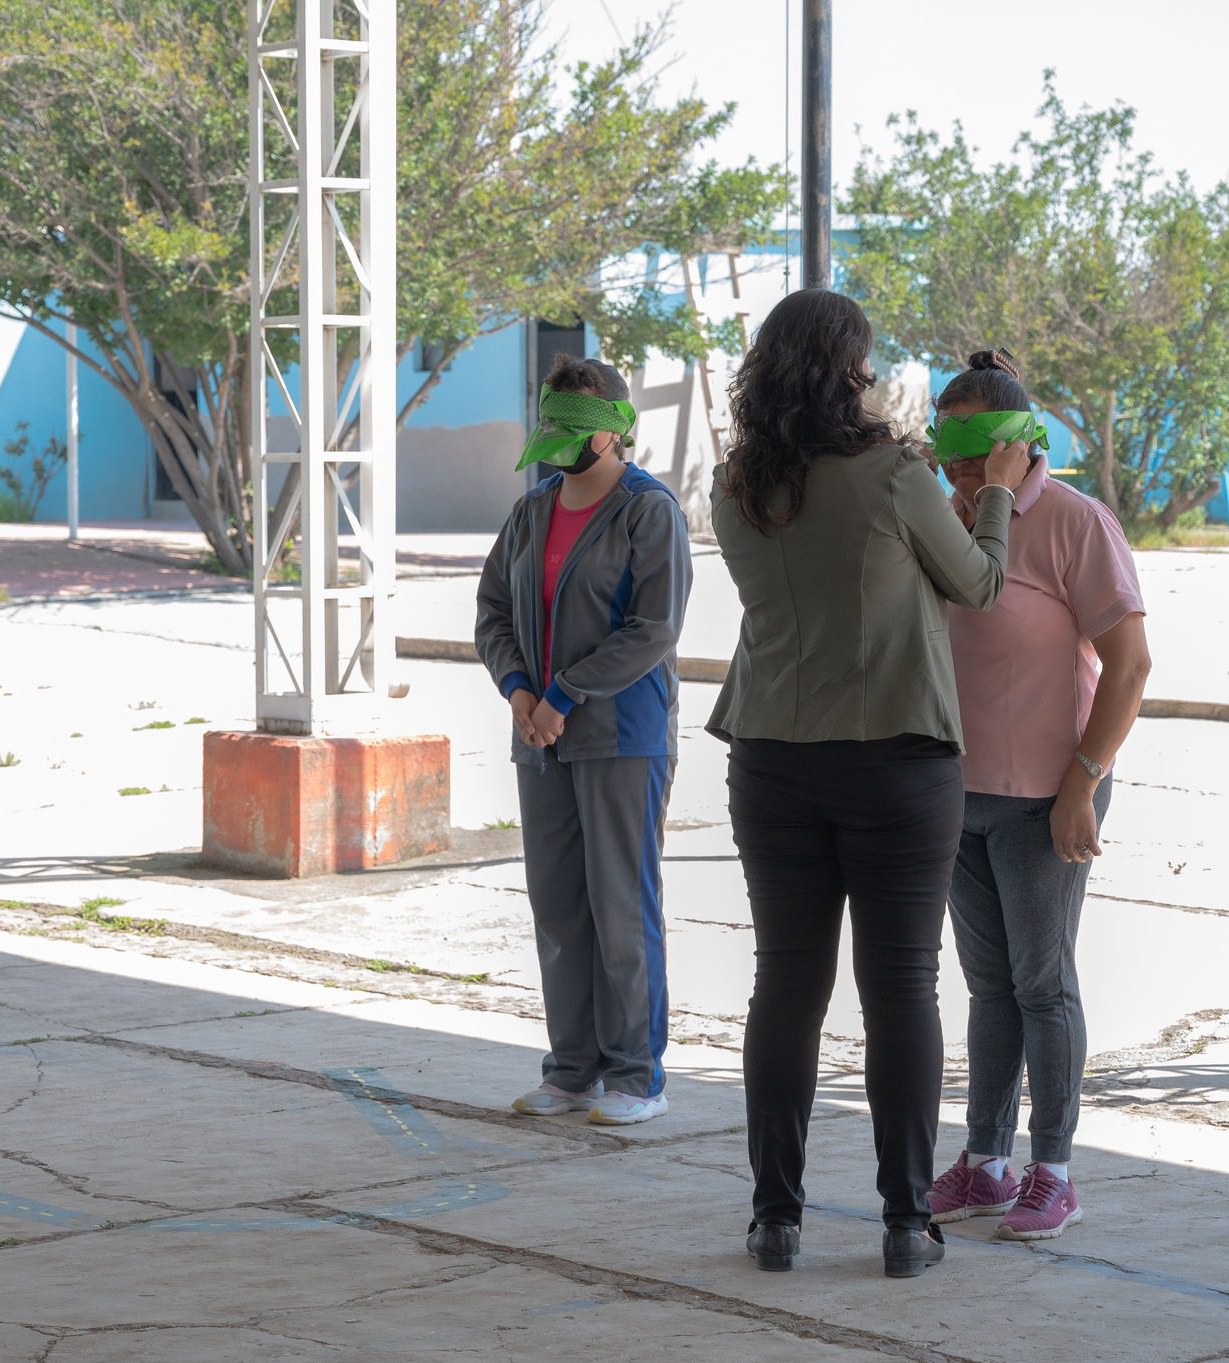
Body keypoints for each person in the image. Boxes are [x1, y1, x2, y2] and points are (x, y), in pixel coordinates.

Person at [708, 290, 1032, 1279]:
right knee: (899, 991)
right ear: (847, 371)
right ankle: (902, 1223)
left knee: (784, 988)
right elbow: (974, 583)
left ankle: (774, 1219)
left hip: (769, 758)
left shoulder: (735, 485)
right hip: (894, 761)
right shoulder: (893, 475)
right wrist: (997, 493)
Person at [923, 350, 1152, 1240]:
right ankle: (985, 1162)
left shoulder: (1073, 524)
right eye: (950, 445)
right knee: (988, 989)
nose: (962, 464)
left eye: (980, 446)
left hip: (1046, 796)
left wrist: (1082, 784)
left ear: (1021, 443)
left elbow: (1130, 666)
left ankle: (1052, 1168)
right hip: (956, 795)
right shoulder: (944, 521)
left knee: (1043, 983)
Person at [474, 355, 693, 1127]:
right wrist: (520, 692)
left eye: (571, 431)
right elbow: (494, 609)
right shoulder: (533, 509)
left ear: (612, 432)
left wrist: (565, 692)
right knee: (558, 904)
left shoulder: (648, 512)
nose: (558, 446)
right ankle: (572, 1070)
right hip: (540, 735)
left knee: (621, 906)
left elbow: (655, 629)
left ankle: (636, 1073)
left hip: (619, 738)